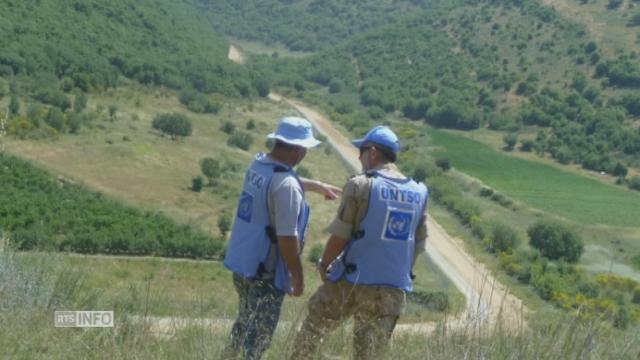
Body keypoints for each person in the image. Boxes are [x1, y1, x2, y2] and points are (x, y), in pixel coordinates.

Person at [290, 125, 429, 360]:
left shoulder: (361, 185)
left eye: (361, 152)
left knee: (311, 331)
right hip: (392, 289)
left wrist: (325, 264)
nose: (359, 158)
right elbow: (419, 244)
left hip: (352, 282)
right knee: (370, 354)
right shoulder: (420, 192)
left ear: (373, 153)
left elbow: (340, 236)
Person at [222, 116, 341, 360]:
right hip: (265, 273)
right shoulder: (287, 186)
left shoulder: (258, 166)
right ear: (299, 149)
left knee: (243, 326)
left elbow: (282, 181)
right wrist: (297, 276)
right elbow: (287, 239)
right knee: (258, 342)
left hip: (243, 265)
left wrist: (317, 186)